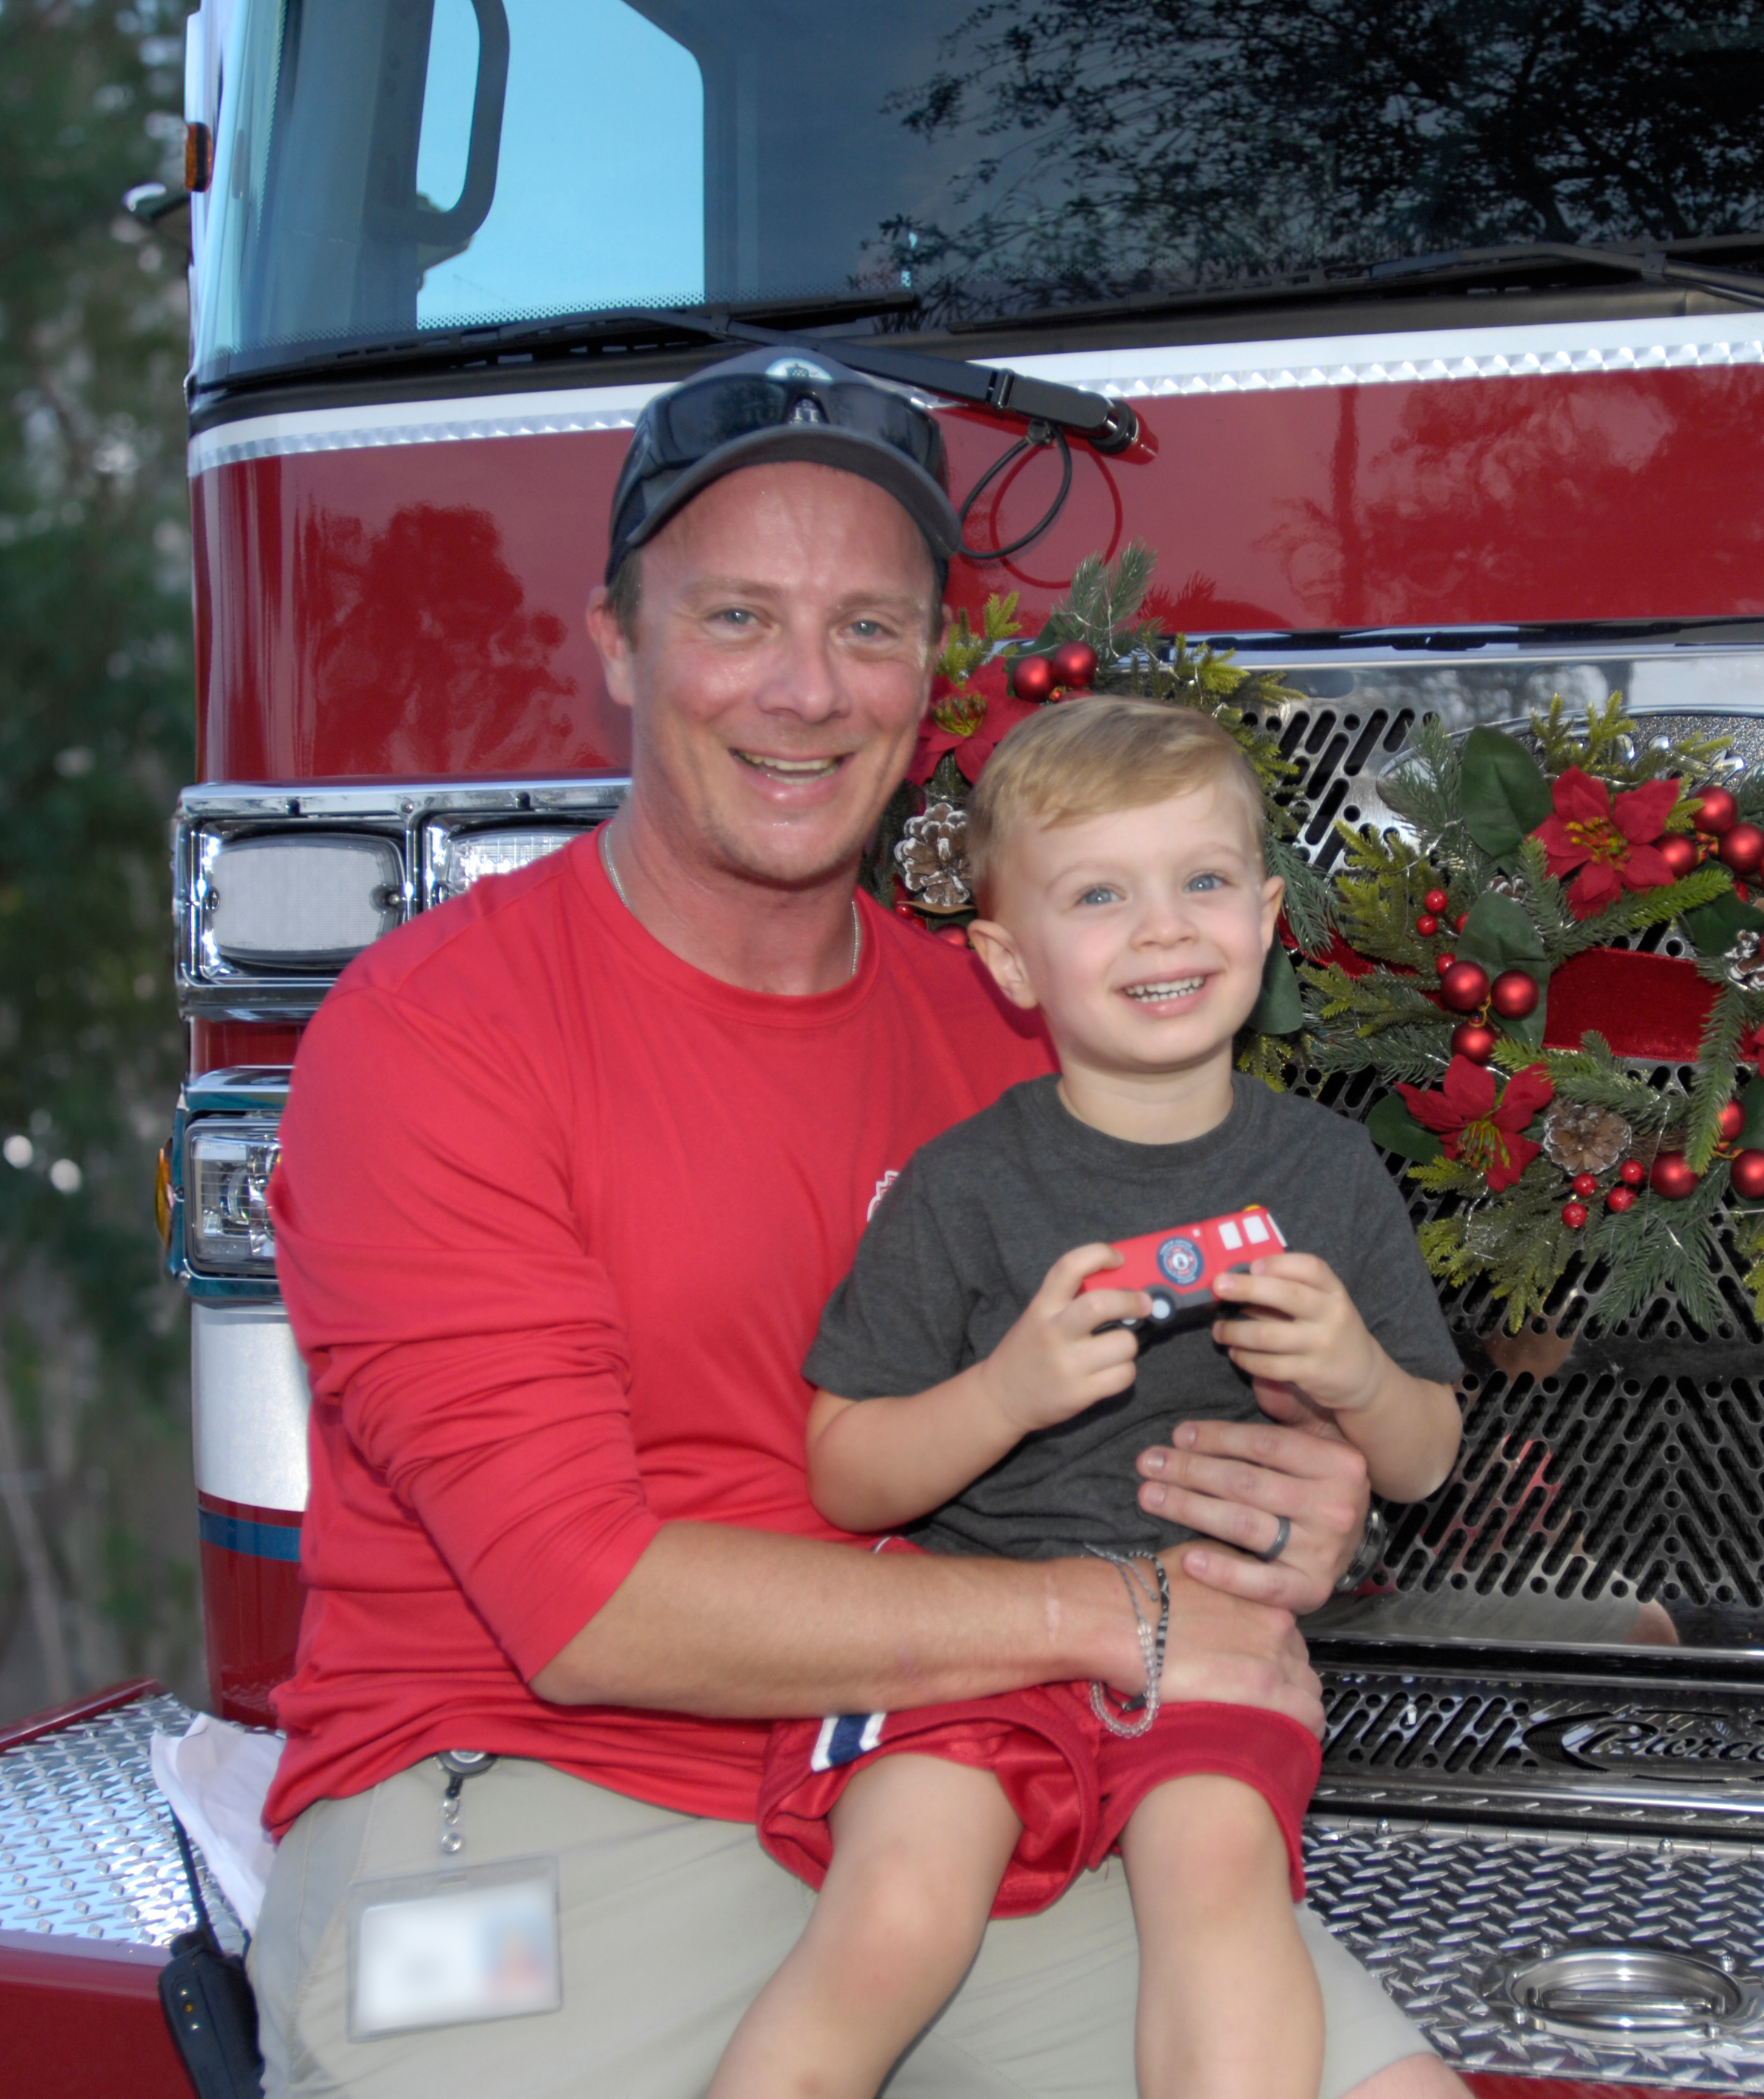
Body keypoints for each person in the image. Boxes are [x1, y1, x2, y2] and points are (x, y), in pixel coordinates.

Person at [255, 342, 1472, 2098]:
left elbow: (1155, 1426)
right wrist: (1105, 1615)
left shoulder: (1013, 1043)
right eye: (736, 617)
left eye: (872, 628)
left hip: (961, 1779)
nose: (808, 689)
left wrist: (1287, 1481)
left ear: (927, 676)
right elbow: (577, 1606)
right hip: (535, 1797)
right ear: (616, 642)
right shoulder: (437, 1033)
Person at [709, 699, 1463, 2099]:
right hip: (973, 1639)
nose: (1166, 929)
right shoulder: (963, 1186)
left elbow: (1423, 1458)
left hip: (1215, 1644)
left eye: (1204, 881)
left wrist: (1358, 1372)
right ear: (1010, 957)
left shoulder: (1330, 1172)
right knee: (897, 1907)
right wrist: (1005, 1392)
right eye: (1100, 895)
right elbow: (846, 1472)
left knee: (1221, 1877)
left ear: (1268, 912)